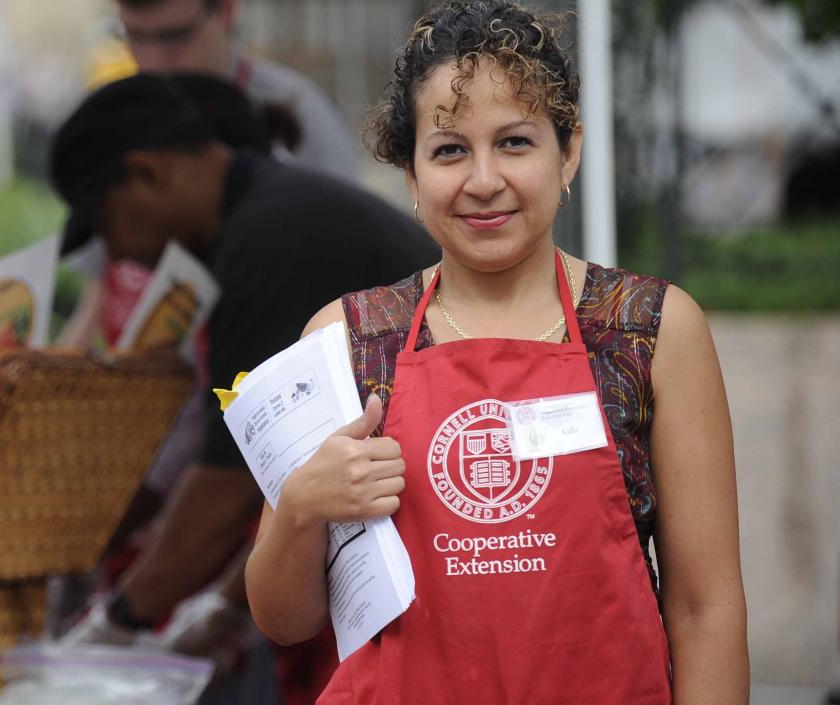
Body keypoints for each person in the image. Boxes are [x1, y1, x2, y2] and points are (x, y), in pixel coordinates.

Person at [245, 3, 749, 704]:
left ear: (567, 150)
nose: (484, 180)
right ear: (412, 175)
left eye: (515, 142)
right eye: (450, 149)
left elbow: (706, 607)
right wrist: (301, 507)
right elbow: (285, 619)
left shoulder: (650, 329)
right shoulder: (348, 338)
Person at [49, 74, 438, 672]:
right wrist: (225, 599)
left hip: (424, 544)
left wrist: (120, 620)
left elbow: (228, 482)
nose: (119, 254)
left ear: (149, 174)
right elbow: (277, 467)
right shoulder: (265, 216)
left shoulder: (270, 238)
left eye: (107, 227)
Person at [114, 0, 357, 181]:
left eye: (175, 36)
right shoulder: (115, 119)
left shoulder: (302, 115)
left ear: (226, 10)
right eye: (135, 36)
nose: (153, 61)